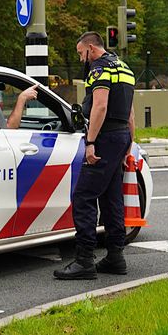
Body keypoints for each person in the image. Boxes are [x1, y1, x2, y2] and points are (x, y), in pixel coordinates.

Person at [55, 31, 137, 280]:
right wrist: (129, 143)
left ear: (91, 48)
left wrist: (90, 142)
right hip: (121, 136)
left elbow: (100, 105)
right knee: (112, 199)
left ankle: (84, 261)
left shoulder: (99, 69)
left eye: (81, 53)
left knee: (84, 196)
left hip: (105, 137)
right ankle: (115, 257)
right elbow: (130, 112)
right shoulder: (124, 68)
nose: (81, 59)